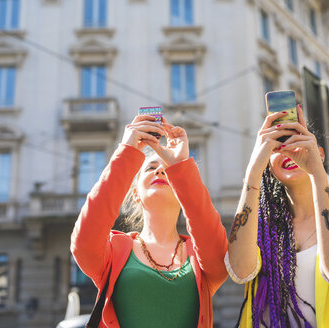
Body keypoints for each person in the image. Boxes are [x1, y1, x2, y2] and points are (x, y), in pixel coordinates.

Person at [226, 105, 329, 328]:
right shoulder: (257, 229)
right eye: (278, 146)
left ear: (319, 154)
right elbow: (240, 271)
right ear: (268, 164)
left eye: (297, 140)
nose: (289, 150)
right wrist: (252, 173)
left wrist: (317, 173)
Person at [71, 114, 228, 327]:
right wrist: (127, 151)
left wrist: (181, 165)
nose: (161, 170)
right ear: (135, 192)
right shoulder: (115, 250)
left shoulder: (200, 256)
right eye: (150, 167)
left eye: (169, 170)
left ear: (182, 189)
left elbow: (217, 255)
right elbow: (84, 242)